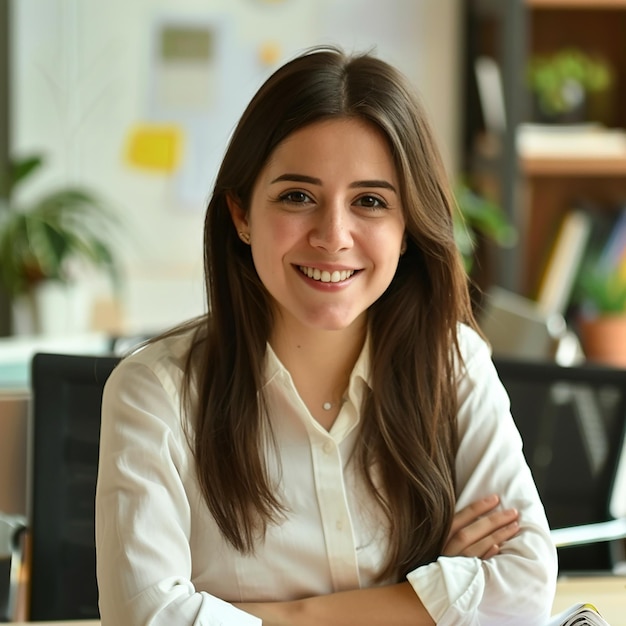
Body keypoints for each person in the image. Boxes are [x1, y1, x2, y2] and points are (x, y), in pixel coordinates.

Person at [95, 46, 557, 625]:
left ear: (408, 225)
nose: (333, 235)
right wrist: (436, 601)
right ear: (240, 215)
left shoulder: (453, 363)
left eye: (369, 201)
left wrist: (276, 615)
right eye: (297, 197)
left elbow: (524, 590)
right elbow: (146, 618)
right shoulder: (154, 395)